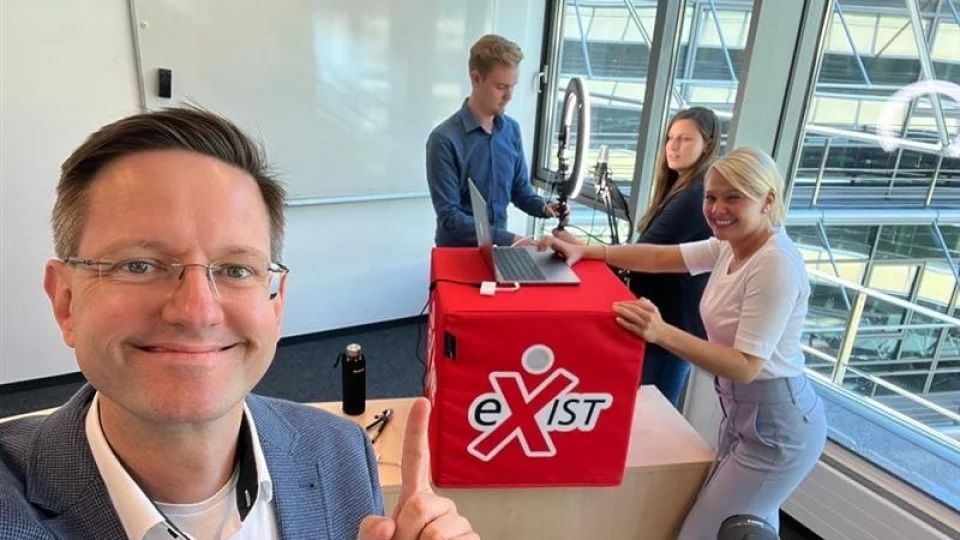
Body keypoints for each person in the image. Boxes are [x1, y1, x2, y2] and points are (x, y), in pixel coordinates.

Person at [0, 108, 476, 540]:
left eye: (236, 270)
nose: (197, 312)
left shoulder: (340, 451)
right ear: (66, 302)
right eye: (139, 265)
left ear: (275, 306)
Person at [540, 147, 827, 538]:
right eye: (711, 197)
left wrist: (660, 332)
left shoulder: (775, 263)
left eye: (733, 197)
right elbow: (662, 258)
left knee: (702, 532)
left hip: (777, 427)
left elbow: (746, 365)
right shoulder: (731, 245)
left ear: (767, 200)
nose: (717, 209)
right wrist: (588, 251)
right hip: (745, 415)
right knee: (747, 527)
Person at [426, 34, 558, 248]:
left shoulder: (512, 131)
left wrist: (544, 207)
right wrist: (510, 239)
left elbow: (520, 191)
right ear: (476, 79)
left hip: (499, 251)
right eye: (501, 87)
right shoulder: (443, 140)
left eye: (513, 86)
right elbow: (450, 218)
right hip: (458, 254)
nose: (509, 96)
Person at [632, 106, 718, 407]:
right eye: (670, 138)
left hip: (670, 328)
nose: (673, 146)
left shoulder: (695, 195)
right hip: (662, 324)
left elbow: (646, 252)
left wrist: (586, 253)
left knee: (652, 414)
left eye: (685, 139)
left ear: (707, 145)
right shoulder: (681, 188)